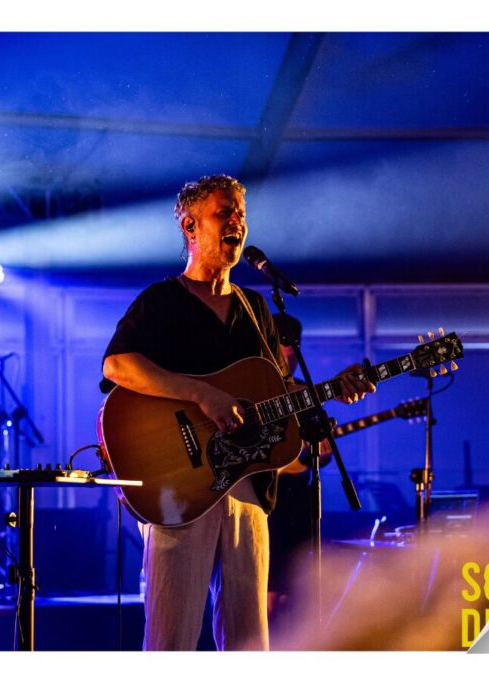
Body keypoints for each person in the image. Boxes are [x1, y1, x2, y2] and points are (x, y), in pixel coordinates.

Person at [100, 174, 374, 650]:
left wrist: (331, 389)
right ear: (190, 226)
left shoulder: (255, 310)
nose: (236, 222)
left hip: (247, 489)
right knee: (172, 642)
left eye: (240, 214)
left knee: (250, 643)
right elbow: (117, 364)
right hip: (178, 489)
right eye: (223, 213)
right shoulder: (162, 301)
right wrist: (200, 394)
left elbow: (276, 391)